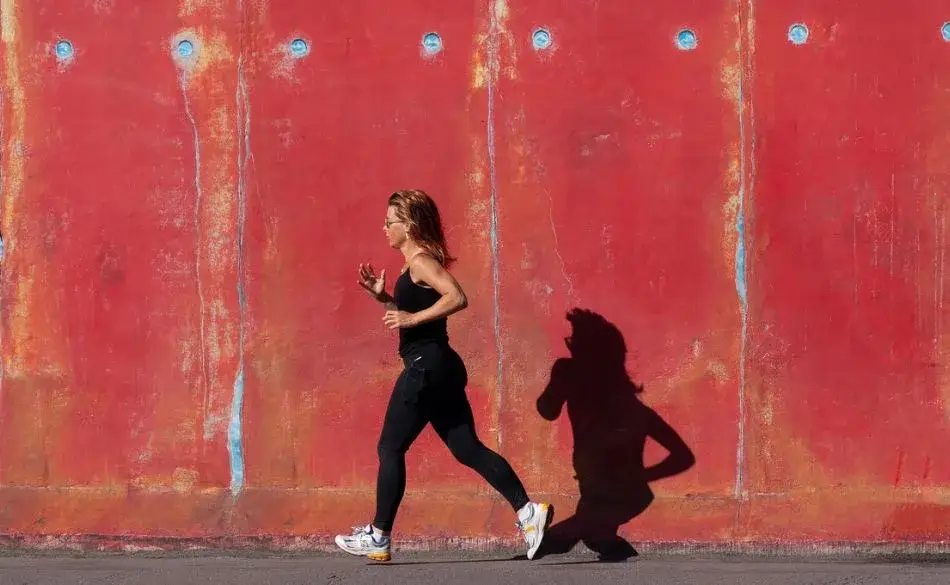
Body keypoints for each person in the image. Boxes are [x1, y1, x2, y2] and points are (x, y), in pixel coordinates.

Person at [334, 189, 552, 562]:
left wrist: (411, 317)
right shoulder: (411, 266)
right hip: (440, 366)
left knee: (390, 448)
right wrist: (384, 299)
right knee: (467, 448)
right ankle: (528, 512)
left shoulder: (419, 261)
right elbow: (413, 318)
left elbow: (457, 296)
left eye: (390, 222)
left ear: (409, 225)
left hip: (426, 367)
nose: (384, 228)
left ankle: (379, 535)